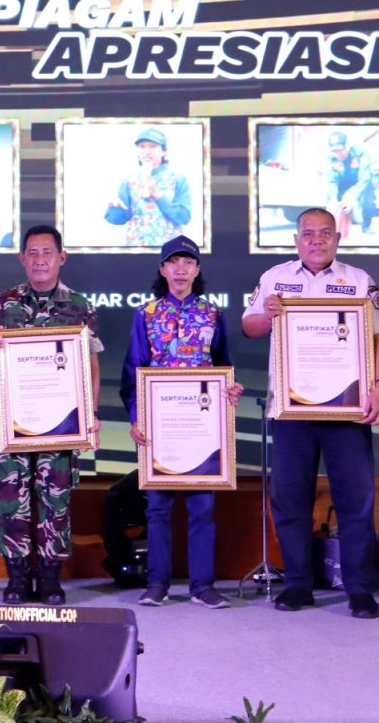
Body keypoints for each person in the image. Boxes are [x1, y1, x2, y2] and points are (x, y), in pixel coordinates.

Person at [241, 207, 379, 618]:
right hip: (292, 410)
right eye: (308, 233)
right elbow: (250, 327)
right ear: (296, 239)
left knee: (355, 500)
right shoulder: (274, 277)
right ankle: (297, 584)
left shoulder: (358, 280)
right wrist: (267, 313)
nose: (316, 240)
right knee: (290, 499)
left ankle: (359, 588)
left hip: (347, 409)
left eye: (325, 232)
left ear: (337, 239)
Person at [0, 225, 102, 605]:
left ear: (61, 257)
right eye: (32, 252)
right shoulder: (5, 302)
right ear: (22, 259)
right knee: (11, 499)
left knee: (55, 501)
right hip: (14, 420)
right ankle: (16, 578)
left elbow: (92, 366)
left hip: (61, 423)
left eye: (47, 252)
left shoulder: (79, 305)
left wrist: (92, 413)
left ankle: (49, 579)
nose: (40, 259)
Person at [120, 236, 243, 609]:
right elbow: (133, 372)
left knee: (202, 508)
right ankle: (156, 584)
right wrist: (136, 418)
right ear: (162, 269)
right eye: (173, 262)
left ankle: (202, 586)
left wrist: (231, 390)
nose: (180, 269)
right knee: (157, 509)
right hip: (160, 427)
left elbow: (223, 367)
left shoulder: (212, 314)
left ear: (197, 269)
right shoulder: (146, 314)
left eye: (187, 262)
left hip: (201, 428)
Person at [104, 127, 191, 247]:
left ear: (164, 151)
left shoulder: (178, 179)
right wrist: (114, 207)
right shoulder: (129, 180)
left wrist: (157, 195)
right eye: (142, 147)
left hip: (169, 250)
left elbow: (184, 218)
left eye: (153, 146)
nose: (147, 151)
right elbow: (118, 220)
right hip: (136, 247)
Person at [326, 131, 377, 236]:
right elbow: (331, 181)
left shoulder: (360, 153)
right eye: (334, 151)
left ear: (347, 146)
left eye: (340, 150)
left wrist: (351, 196)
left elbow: (364, 179)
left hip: (360, 182)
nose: (338, 154)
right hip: (343, 184)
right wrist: (333, 198)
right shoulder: (330, 158)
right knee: (333, 202)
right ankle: (336, 229)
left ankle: (366, 225)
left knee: (368, 199)